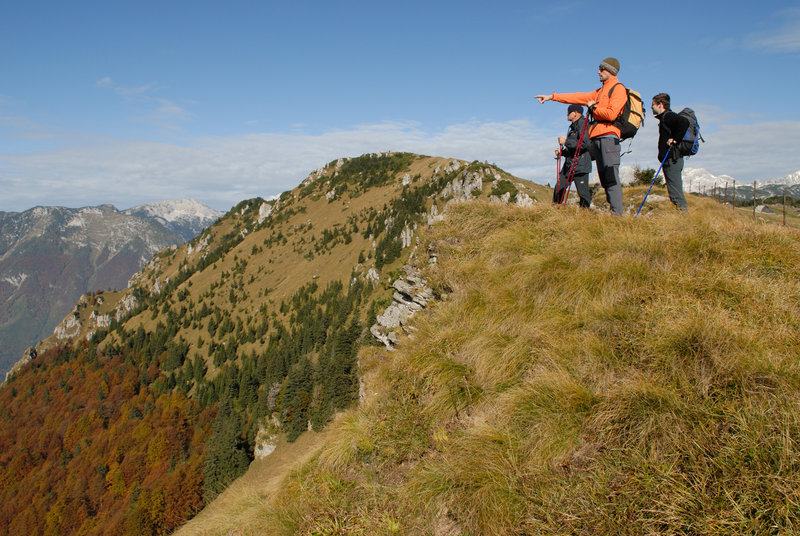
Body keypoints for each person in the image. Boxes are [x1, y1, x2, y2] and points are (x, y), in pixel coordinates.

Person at [535, 57, 627, 215]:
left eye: (602, 69)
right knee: (605, 180)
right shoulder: (599, 92)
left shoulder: (618, 89)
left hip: (609, 138)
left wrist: (594, 107)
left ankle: (617, 217)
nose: (598, 72)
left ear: (611, 71)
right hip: (597, 139)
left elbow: (611, 115)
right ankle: (614, 215)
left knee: (611, 179)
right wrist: (553, 97)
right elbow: (577, 97)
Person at [651, 93, 689, 211]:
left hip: (672, 158)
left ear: (660, 105)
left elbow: (684, 122)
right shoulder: (665, 117)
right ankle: (682, 217)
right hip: (670, 159)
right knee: (674, 192)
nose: (651, 107)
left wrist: (675, 139)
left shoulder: (668, 116)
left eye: (653, 104)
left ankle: (684, 219)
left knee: (675, 193)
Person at [553, 104, 592, 207]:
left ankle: (585, 215)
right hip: (569, 164)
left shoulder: (584, 124)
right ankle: (555, 210)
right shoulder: (573, 127)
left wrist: (566, 142)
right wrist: (562, 153)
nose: (567, 115)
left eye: (568, 112)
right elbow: (573, 149)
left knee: (583, 193)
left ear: (575, 113)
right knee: (559, 187)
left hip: (581, 165)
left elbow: (585, 144)